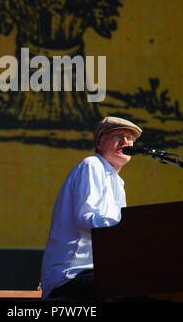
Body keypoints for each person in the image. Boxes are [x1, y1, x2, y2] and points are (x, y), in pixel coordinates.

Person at [40, 116, 142, 301]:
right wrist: (129, 227)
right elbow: (86, 219)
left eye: (130, 138)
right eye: (118, 135)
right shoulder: (91, 166)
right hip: (70, 277)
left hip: (97, 273)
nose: (126, 142)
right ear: (99, 142)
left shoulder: (118, 182)